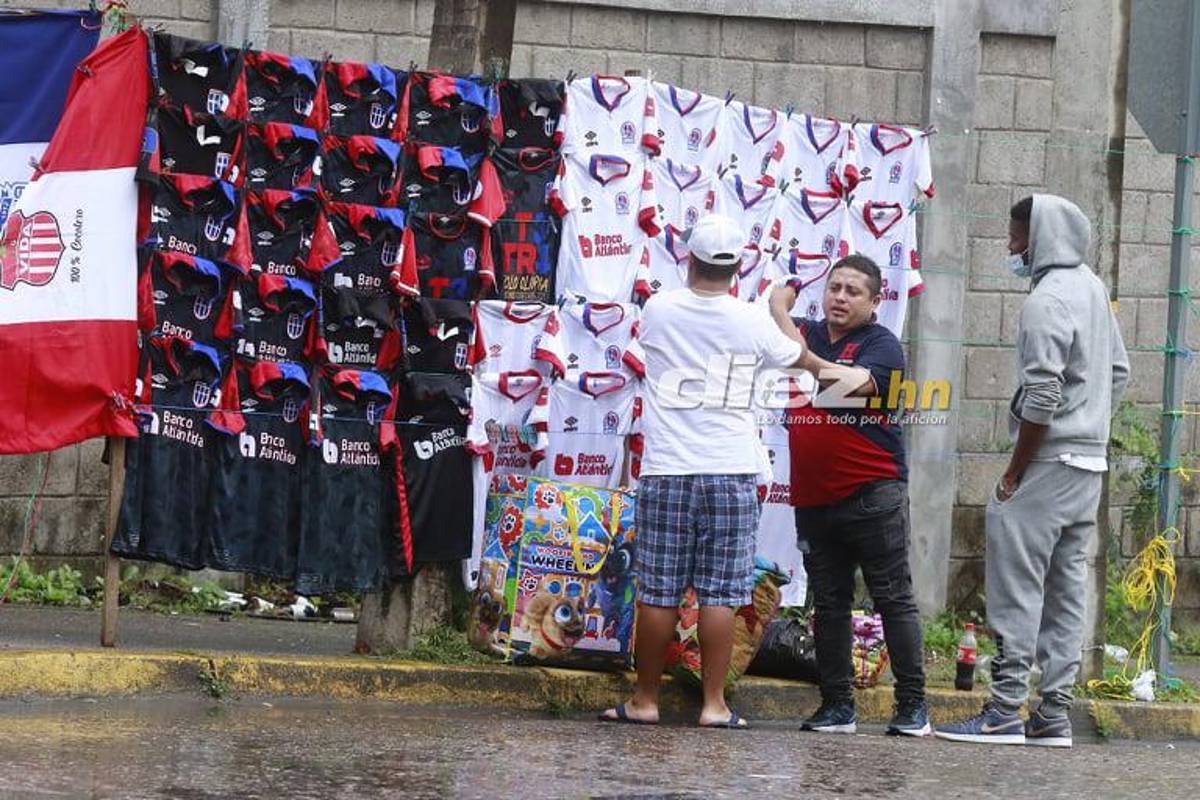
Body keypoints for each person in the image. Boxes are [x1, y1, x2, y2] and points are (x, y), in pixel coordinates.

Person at [598, 214, 812, 729]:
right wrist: (778, 306)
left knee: (659, 591)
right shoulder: (752, 318)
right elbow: (796, 356)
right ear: (738, 267)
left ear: (688, 259)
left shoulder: (659, 308)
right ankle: (714, 706)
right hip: (732, 471)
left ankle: (645, 701)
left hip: (669, 469)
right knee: (722, 595)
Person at [936, 194, 1129, 747]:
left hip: (1045, 461)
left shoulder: (1046, 300)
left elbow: (1043, 393)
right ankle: (1052, 715)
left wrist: (1016, 470)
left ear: (1041, 237)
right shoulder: (1092, 287)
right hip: (1088, 463)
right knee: (1067, 587)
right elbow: (1118, 371)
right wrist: (1090, 421)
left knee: (1017, 585)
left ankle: (1001, 711)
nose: (1010, 246)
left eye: (1017, 236)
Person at [766, 255, 930, 737]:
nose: (839, 296)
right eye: (834, 287)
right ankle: (837, 706)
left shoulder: (883, 346)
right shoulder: (808, 333)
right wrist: (781, 311)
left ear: (876, 301)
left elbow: (854, 384)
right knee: (830, 605)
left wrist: (800, 350)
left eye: (853, 291)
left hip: (872, 495)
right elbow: (774, 329)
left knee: (892, 599)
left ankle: (912, 708)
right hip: (814, 499)